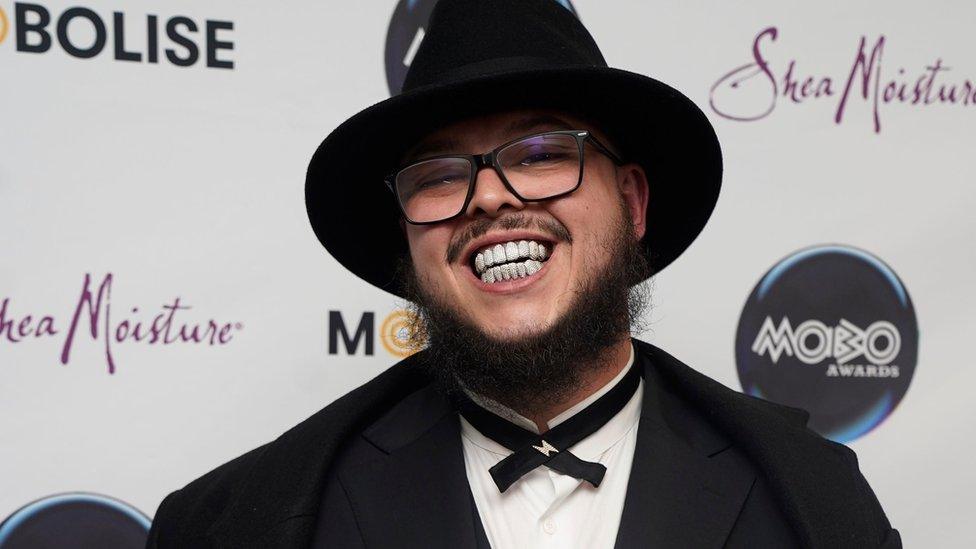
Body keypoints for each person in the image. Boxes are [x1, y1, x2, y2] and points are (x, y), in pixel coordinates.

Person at [147, 0, 901, 547]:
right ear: (407, 236)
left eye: (541, 154)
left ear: (632, 202)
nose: (491, 197)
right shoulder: (241, 522)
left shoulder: (817, 504)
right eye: (440, 175)